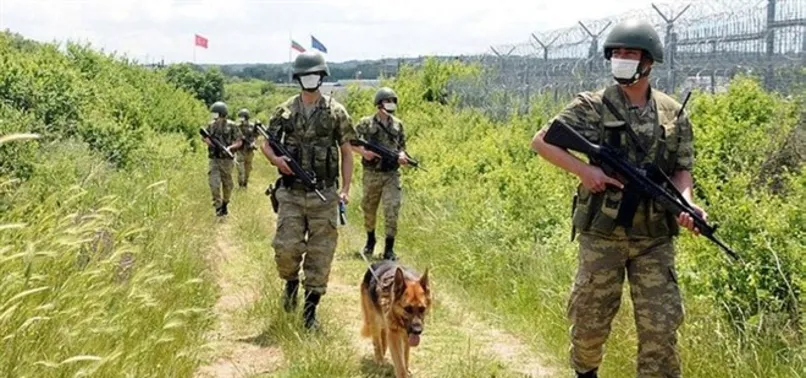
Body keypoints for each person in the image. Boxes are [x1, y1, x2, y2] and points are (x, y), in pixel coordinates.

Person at [530, 19, 701, 378]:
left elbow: (682, 170)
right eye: (616, 53)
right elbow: (542, 141)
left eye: (630, 52)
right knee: (590, 321)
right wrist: (585, 172)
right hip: (603, 234)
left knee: (661, 328)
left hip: (654, 238)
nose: (621, 58)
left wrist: (686, 202)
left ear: (649, 61)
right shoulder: (593, 106)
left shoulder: (674, 113)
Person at [261, 50, 356, 330]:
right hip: (290, 192)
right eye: (305, 75)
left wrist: (346, 189)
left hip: (324, 194)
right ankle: (290, 283)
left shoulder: (336, 112)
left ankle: (310, 312)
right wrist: (276, 160)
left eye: (315, 74)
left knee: (320, 254)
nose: (310, 79)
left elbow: (347, 152)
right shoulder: (285, 111)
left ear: (322, 77)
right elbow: (266, 142)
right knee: (285, 249)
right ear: (298, 79)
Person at [353, 87, 408, 261]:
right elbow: (350, 142)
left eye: (393, 101)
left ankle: (389, 248)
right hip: (372, 173)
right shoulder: (365, 123)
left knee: (392, 208)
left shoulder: (398, 125)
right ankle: (370, 240)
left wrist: (402, 156)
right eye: (387, 101)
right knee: (369, 208)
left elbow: (402, 148)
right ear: (379, 103)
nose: (390, 104)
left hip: (391, 174)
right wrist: (364, 153)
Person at [203, 101, 243, 217]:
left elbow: (239, 141)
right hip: (214, 159)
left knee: (227, 184)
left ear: (222, 114)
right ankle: (218, 206)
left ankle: (225, 203)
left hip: (227, 161)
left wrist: (230, 148)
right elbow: (204, 137)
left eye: (216, 114)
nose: (214, 116)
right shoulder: (210, 125)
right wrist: (210, 143)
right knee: (213, 183)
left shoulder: (232, 126)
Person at [235, 108, 258, 188]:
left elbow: (255, 136)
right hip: (240, 150)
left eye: (242, 117)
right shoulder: (237, 127)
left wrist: (253, 143)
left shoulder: (252, 126)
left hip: (249, 151)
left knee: (248, 169)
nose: (241, 119)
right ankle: (240, 184)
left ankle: (245, 184)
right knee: (240, 169)